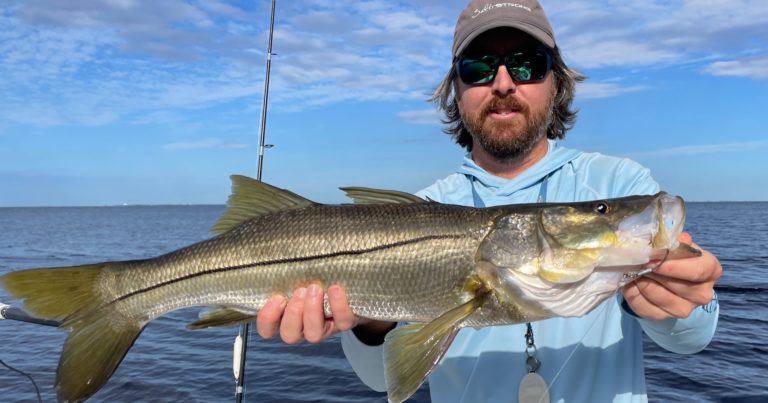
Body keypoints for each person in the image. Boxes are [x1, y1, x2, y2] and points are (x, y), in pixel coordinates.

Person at [255, 0, 722, 401]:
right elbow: (380, 380)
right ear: (455, 92)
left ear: (555, 83)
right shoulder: (422, 208)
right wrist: (369, 324)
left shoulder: (617, 181)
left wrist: (679, 302)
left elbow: (692, 339)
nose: (502, 83)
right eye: (477, 68)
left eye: (526, 64)